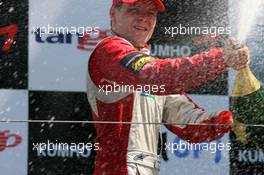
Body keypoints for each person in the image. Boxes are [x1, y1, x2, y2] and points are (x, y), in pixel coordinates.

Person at [86, 0, 250, 174]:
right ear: (113, 14)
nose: (143, 18)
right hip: (118, 169)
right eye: (134, 10)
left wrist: (228, 120)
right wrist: (221, 59)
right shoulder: (109, 51)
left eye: (150, 13)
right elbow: (156, 76)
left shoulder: (152, 67)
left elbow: (189, 125)